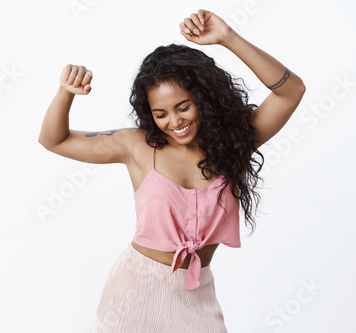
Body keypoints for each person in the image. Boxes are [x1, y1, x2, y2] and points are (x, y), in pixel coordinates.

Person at [38, 8, 305, 333]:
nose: (175, 122)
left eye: (183, 107)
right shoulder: (136, 146)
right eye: (161, 113)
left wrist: (227, 38)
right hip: (134, 294)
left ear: (203, 98)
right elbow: (55, 140)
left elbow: (291, 91)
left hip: (197, 297)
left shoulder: (234, 144)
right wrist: (66, 92)